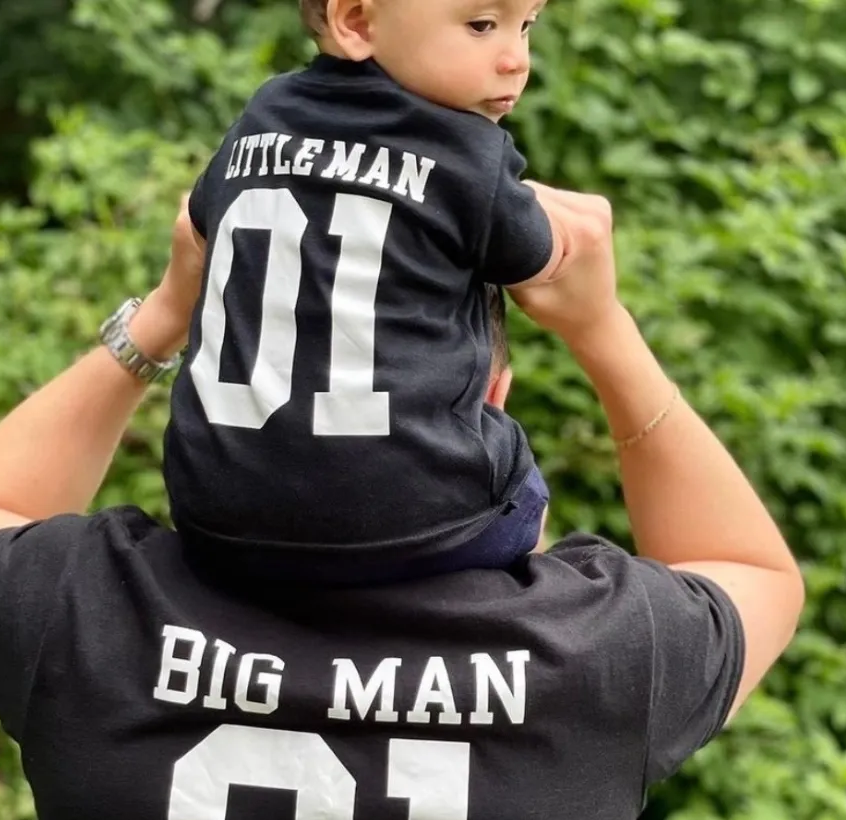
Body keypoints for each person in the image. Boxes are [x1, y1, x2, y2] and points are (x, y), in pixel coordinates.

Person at [0, 188, 804, 820]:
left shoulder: (88, 615)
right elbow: (748, 569)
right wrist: (601, 330)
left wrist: (164, 312)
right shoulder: (597, 653)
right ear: (493, 392)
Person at [165, 0, 577, 584]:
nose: (517, 61)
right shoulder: (468, 150)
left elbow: (203, 220)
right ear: (357, 22)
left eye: (526, 26)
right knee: (524, 496)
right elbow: (537, 258)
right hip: (410, 522)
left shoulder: (263, 114)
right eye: (482, 25)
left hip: (214, 520)